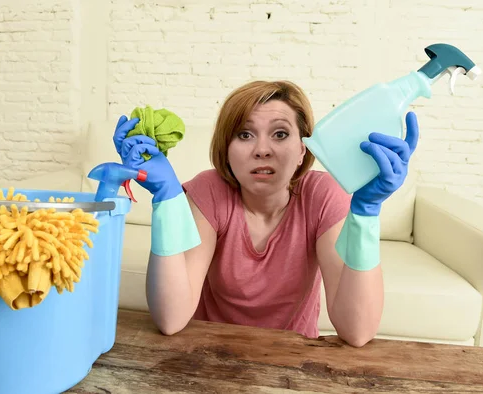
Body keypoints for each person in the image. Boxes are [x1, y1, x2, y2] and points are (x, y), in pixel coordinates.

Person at [112, 80, 419, 347]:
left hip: (292, 364)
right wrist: (166, 200)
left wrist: (365, 213)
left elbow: (358, 331)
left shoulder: (322, 196)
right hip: (207, 356)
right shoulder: (210, 190)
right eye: (245, 135)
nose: (262, 149)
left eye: (280, 134)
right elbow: (171, 319)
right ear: (226, 151)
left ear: (303, 149)